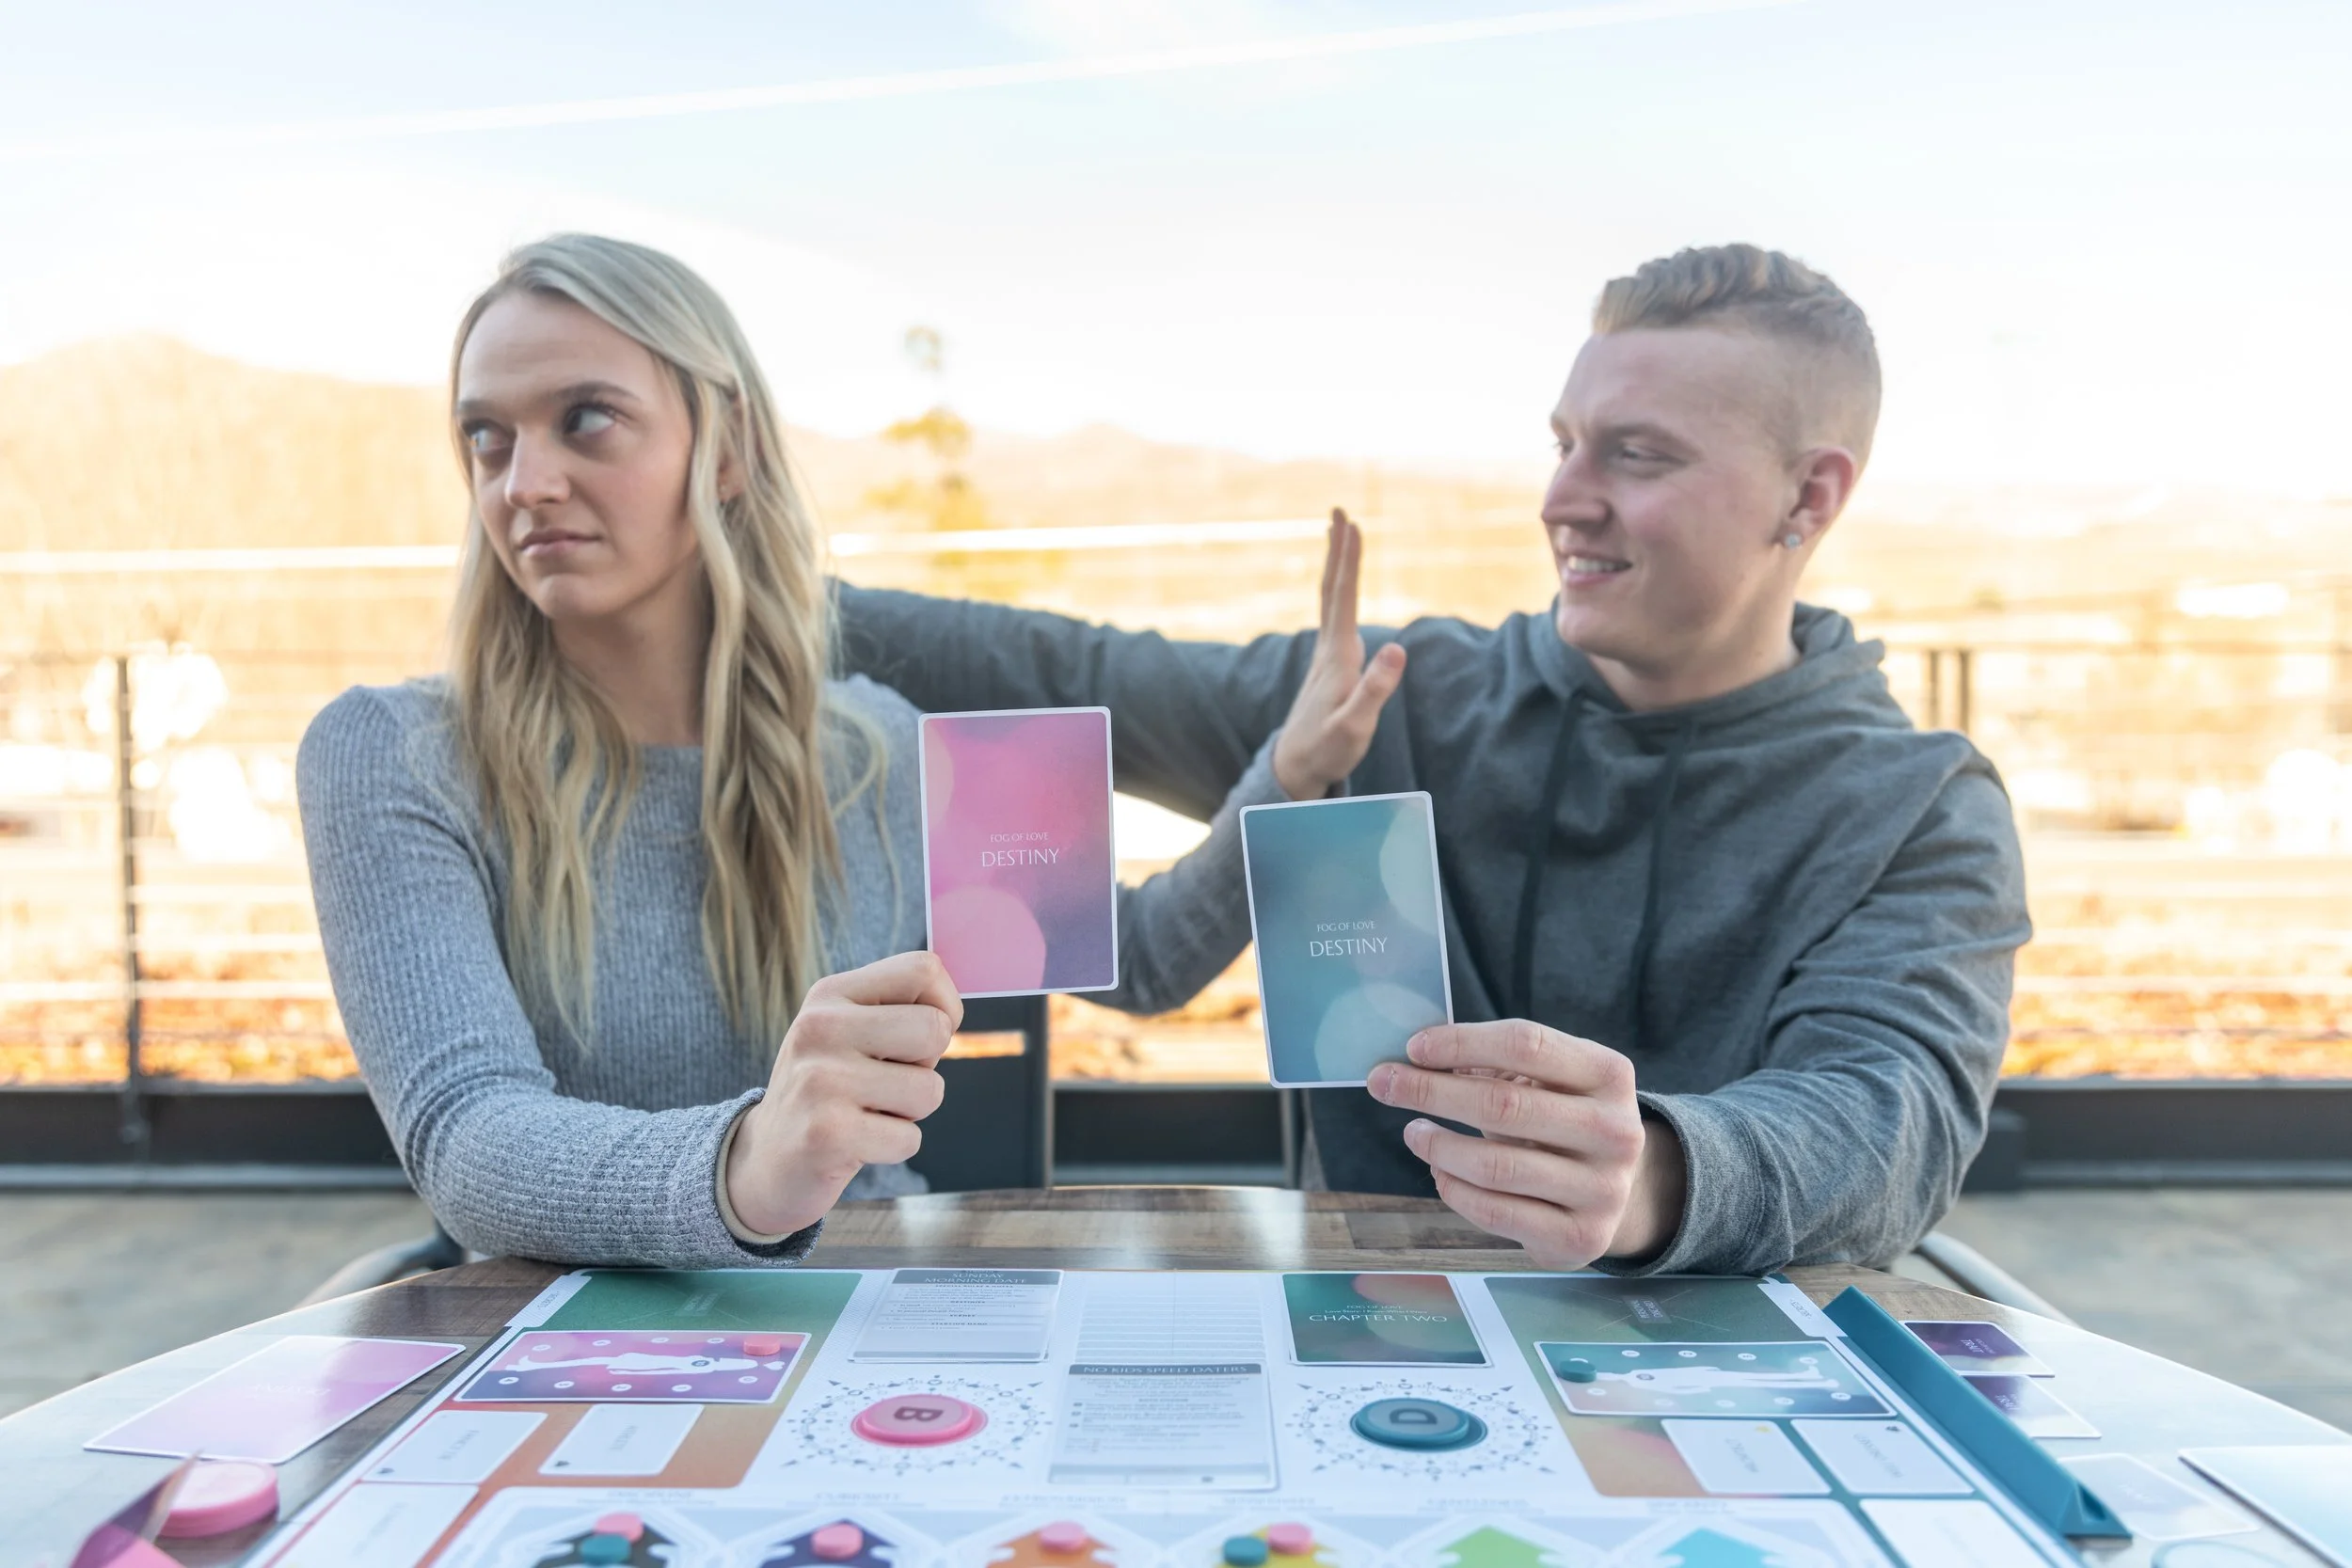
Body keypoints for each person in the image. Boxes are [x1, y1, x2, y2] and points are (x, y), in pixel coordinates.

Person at [837, 244, 2031, 1276]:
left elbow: (1891, 1119)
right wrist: (737, 595)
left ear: (1808, 496)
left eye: (1637, 455)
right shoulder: (1390, 698)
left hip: (1716, 1364)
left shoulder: (1917, 804)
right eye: (1564, 446)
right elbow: (1061, 663)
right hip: (1368, 1335)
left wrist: (1658, 1172)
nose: (1565, 499)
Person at [296, 234, 1308, 1268]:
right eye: (487, 438)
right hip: (573, 1360)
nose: (526, 482)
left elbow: (1139, 959)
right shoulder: (391, 754)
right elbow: (466, 1137)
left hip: (877, 1326)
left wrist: (1294, 771)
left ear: (726, 450)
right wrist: (744, 1163)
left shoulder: (886, 744)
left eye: (585, 420)